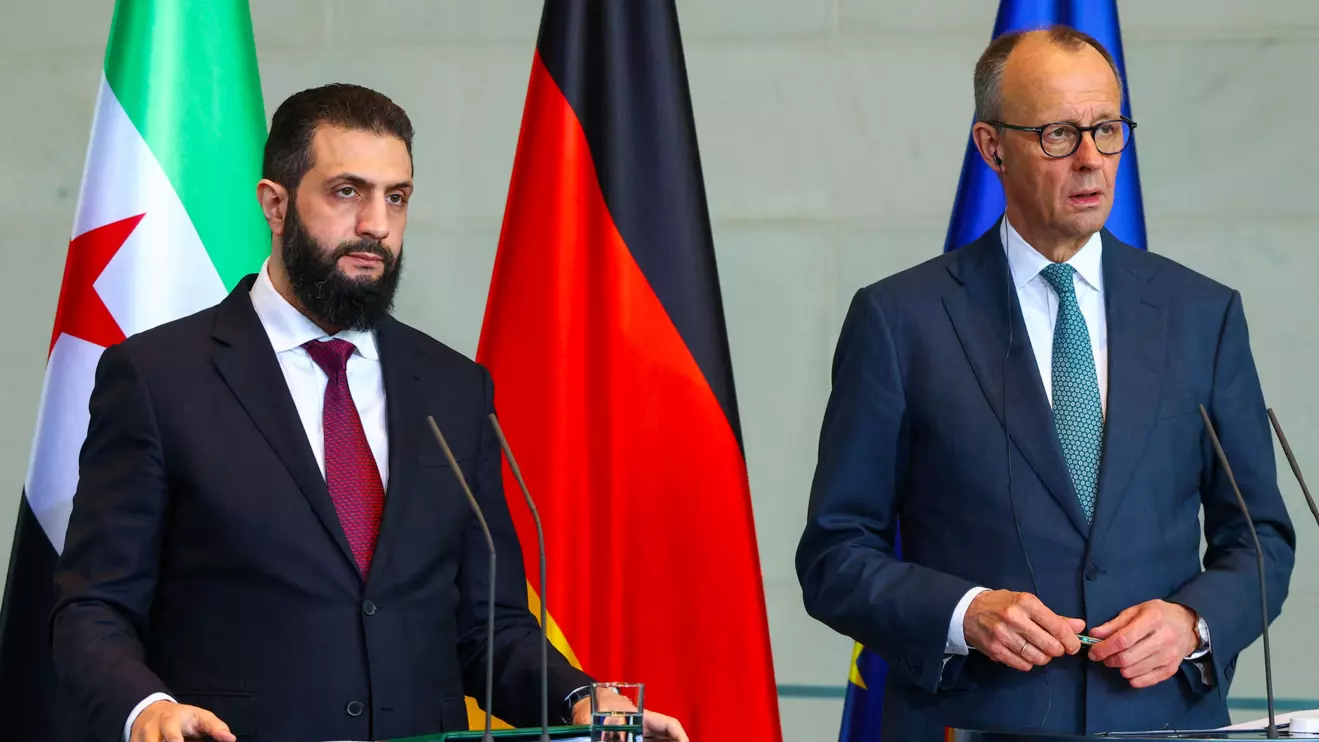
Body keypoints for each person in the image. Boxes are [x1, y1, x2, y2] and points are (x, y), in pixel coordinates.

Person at [50, 83, 688, 742]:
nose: (377, 226)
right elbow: (93, 606)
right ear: (275, 203)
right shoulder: (160, 377)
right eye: (346, 192)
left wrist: (581, 698)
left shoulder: (453, 388)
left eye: (397, 197)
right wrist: (146, 707)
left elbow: (488, 624)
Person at [796, 26, 1295, 741]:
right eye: (1058, 133)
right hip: (974, 722)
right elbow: (834, 555)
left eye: (1107, 129)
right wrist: (963, 612)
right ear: (990, 147)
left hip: (1163, 721)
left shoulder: (1201, 315)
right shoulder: (898, 321)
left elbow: (1260, 538)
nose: (1090, 159)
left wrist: (1194, 622)